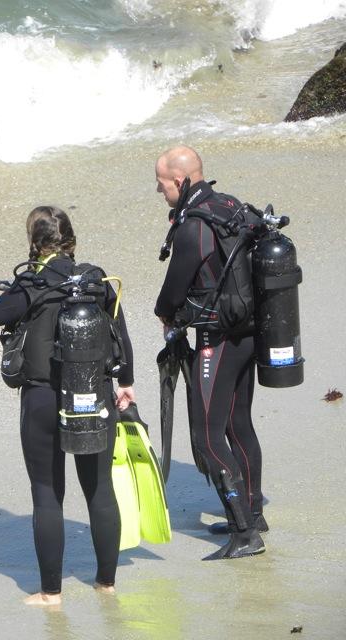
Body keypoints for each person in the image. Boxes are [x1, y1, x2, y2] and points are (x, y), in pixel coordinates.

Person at [0, 205, 135, 604]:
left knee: (47, 492)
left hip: (43, 398)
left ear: (35, 242)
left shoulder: (29, 286)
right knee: (100, 491)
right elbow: (120, 334)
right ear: (70, 238)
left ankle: (51, 594)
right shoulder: (96, 280)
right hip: (94, 394)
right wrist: (126, 384)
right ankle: (107, 583)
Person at [154, 146, 267, 560]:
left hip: (216, 342)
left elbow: (174, 289)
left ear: (180, 182)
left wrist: (163, 315)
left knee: (206, 436)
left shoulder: (193, 228)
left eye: (162, 184)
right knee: (238, 424)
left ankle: (244, 534)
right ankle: (253, 514)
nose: (160, 191)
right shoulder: (230, 205)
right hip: (249, 333)